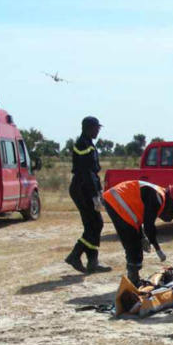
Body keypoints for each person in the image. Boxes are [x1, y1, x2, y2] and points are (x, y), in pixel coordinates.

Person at [103, 180, 173, 286]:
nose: (171, 215)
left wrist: (142, 236)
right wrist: (157, 248)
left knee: (134, 239)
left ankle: (134, 278)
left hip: (116, 199)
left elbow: (142, 220)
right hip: (117, 200)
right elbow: (149, 226)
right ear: (172, 202)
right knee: (133, 243)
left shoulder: (158, 194)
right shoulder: (158, 198)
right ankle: (133, 280)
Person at [64, 116, 111, 274]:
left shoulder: (88, 143)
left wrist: (97, 192)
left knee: (94, 225)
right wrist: (94, 195)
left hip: (86, 188)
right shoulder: (82, 144)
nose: (98, 130)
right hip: (82, 189)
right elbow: (87, 172)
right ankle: (75, 255)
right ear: (89, 128)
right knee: (95, 224)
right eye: (96, 127)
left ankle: (92, 262)